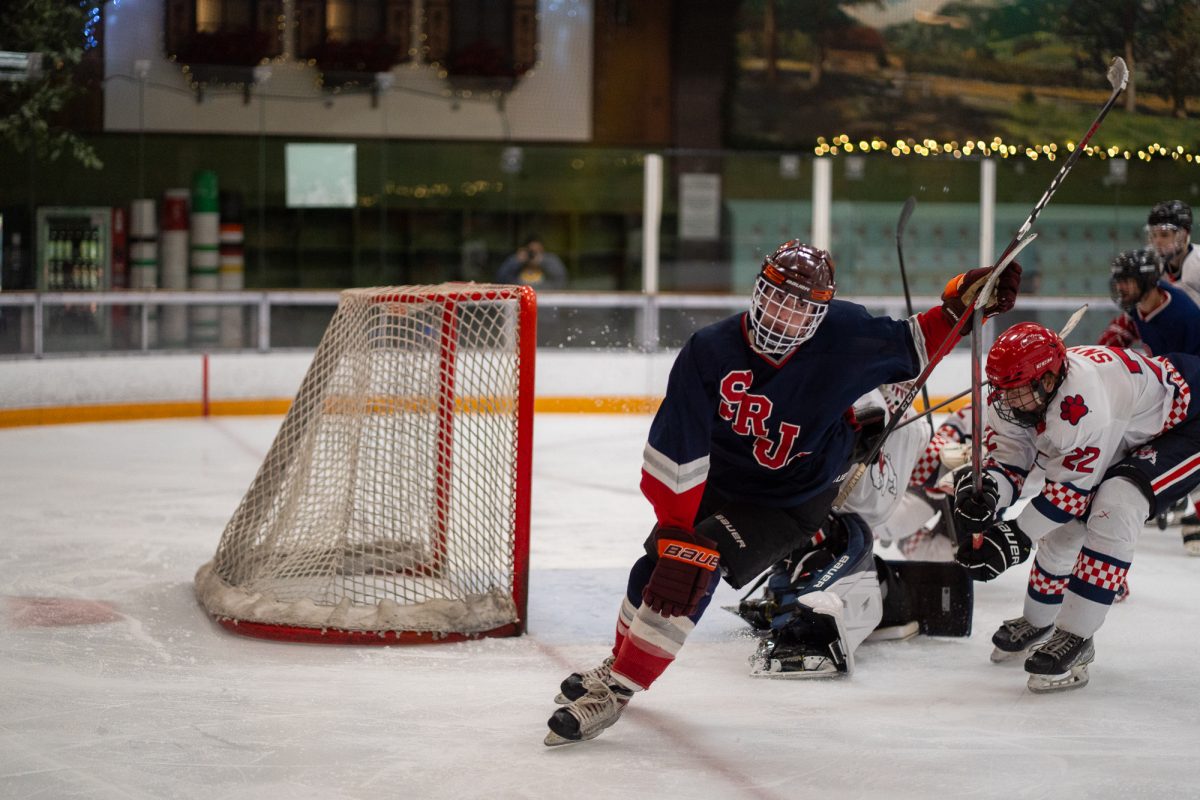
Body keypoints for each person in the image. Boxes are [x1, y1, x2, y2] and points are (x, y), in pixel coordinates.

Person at [543, 239, 1022, 745]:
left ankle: (616, 690)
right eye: (776, 297)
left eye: (802, 307)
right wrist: (675, 526)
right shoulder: (710, 350)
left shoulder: (846, 334)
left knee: (689, 568)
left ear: (821, 313)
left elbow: (920, 338)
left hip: (790, 499)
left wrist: (963, 301)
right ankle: (618, 662)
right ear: (757, 291)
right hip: (723, 483)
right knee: (655, 568)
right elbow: (676, 449)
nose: (784, 315)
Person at [951, 321, 1200, 693]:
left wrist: (1013, 537)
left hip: (1185, 424)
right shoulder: (1015, 395)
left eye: (1016, 392)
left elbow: (1069, 495)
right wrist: (987, 492)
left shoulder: (1084, 403)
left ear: (1049, 381)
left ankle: (1078, 638)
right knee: (1064, 533)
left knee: (1116, 505)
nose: (1006, 401)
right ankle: (1039, 621)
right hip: (1130, 428)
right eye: (1001, 391)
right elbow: (1010, 460)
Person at [1097, 248, 1200, 554]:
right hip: (1173, 387)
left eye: (1126, 281)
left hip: (1190, 391)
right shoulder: (1143, 303)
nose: (1120, 288)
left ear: (1146, 281)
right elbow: (1129, 327)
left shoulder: (1182, 315)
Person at [1146, 200, 1200, 303]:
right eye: (1154, 235)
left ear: (1183, 235)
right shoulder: (1153, 266)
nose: (1157, 241)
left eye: (1164, 235)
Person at [495, 235, 567, 290]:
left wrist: (544, 262)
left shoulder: (549, 264)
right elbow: (500, 280)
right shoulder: (516, 267)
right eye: (531, 251)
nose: (533, 255)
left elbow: (561, 279)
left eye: (538, 251)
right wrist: (516, 261)